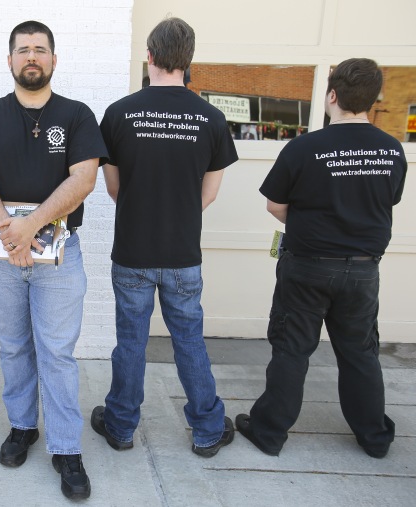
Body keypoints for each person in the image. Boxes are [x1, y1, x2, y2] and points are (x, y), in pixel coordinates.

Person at [0, 20, 107, 500]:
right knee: (13, 347)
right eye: (23, 49)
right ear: (9, 60)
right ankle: (23, 426)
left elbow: (83, 179)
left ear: (54, 60)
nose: (31, 56)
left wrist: (30, 226)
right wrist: (10, 229)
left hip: (59, 252)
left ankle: (66, 449)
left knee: (57, 352)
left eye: (40, 49)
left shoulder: (77, 114)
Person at [236, 58, 407, 458]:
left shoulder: (305, 147)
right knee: (360, 353)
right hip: (363, 270)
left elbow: (275, 205)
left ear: (332, 95)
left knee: (292, 349)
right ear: (372, 99)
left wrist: (313, 223)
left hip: (307, 266)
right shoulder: (391, 150)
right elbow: (386, 200)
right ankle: (374, 438)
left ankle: (269, 432)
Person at [93, 17, 239, 458]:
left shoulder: (119, 114)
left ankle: (120, 427)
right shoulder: (211, 119)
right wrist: (175, 214)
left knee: (131, 342)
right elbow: (207, 194)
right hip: (182, 253)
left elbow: (115, 189)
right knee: (189, 340)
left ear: (150, 57)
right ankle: (208, 429)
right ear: (188, 62)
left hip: (134, 251)